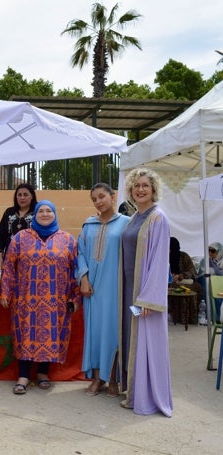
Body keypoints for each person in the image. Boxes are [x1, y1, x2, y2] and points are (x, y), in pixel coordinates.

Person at [0, 200, 81, 395]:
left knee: (50, 334)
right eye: (40, 211)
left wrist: (75, 297)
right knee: (25, 334)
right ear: (34, 215)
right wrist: (5, 291)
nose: (44, 214)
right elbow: (9, 265)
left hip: (56, 300)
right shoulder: (20, 238)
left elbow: (75, 270)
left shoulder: (68, 240)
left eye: (48, 211)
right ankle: (23, 376)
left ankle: (43, 373)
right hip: (26, 298)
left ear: (54, 214)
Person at [119, 168, 172, 417]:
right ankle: (133, 392)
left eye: (145, 186)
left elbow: (161, 261)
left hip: (145, 295)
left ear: (153, 190)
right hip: (130, 289)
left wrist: (149, 298)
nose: (140, 190)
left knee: (146, 341)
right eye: (136, 186)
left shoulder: (157, 218)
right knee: (133, 340)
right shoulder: (134, 218)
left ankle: (146, 397)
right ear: (130, 190)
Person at [76, 183, 129, 398]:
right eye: (94, 199)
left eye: (102, 197)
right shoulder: (88, 225)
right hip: (93, 291)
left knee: (114, 333)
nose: (98, 202)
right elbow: (80, 253)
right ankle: (98, 378)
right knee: (95, 333)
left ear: (113, 196)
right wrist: (83, 278)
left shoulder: (126, 224)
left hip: (115, 289)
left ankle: (114, 379)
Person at [0, 183, 37, 271]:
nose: (22, 198)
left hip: (32, 258)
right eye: (19, 195)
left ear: (32, 196)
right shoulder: (9, 212)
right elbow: (1, 236)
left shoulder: (38, 212)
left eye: (25, 195)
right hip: (10, 258)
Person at [169, 237, 202, 309]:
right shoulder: (164, 257)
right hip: (170, 283)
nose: (169, 251)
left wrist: (180, 276)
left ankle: (190, 317)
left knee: (195, 288)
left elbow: (191, 272)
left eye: (170, 248)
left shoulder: (184, 256)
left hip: (185, 281)